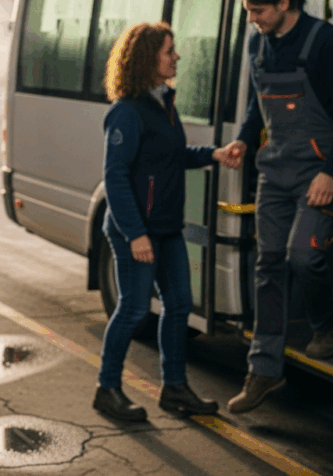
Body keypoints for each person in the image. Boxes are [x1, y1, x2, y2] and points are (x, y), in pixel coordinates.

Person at [222, 0, 333, 414]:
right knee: (269, 265)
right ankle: (263, 371)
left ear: (285, 4)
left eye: (258, 10)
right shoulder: (258, 43)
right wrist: (244, 138)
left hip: (317, 173)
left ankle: (326, 326)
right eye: (248, 11)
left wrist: (332, 173)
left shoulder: (327, 44)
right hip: (275, 173)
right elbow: (257, 104)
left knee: (305, 255)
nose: (252, 19)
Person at [93, 21, 234, 421]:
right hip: (134, 232)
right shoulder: (126, 113)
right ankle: (107, 389)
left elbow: (172, 156)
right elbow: (116, 177)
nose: (177, 57)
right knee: (134, 310)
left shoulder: (162, 103)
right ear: (147, 59)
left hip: (167, 228)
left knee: (178, 306)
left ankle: (174, 389)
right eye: (169, 51)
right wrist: (136, 234)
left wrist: (213, 154)